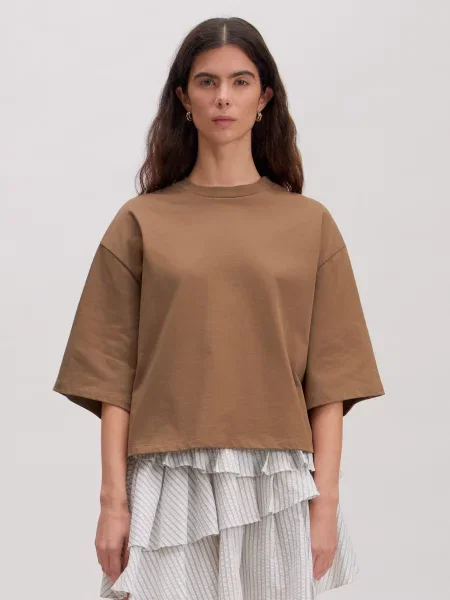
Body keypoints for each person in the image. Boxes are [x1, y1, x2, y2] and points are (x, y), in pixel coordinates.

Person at [52, 16, 385, 600]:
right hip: (166, 478)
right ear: (184, 99)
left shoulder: (310, 224)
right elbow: (110, 376)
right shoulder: (140, 221)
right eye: (207, 82)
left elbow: (331, 380)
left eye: (240, 81)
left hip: (276, 481)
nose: (223, 97)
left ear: (265, 96)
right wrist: (112, 502)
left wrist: (326, 503)